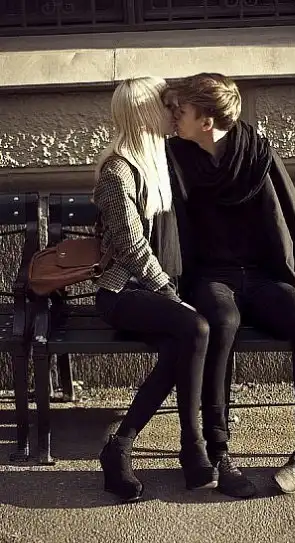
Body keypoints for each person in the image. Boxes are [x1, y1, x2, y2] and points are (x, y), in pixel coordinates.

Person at [166, 73, 295, 495]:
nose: (173, 116)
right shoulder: (177, 157)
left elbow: (288, 217)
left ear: (206, 121)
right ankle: (219, 450)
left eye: (181, 110)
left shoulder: (256, 154)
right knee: (221, 322)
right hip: (212, 277)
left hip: (263, 275)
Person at [93, 76, 218, 503]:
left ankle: (120, 447)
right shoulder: (117, 171)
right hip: (123, 294)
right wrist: (171, 294)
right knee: (196, 329)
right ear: (145, 113)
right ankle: (192, 447)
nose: (173, 111)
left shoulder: (161, 158)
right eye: (166, 105)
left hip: (159, 291)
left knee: (181, 345)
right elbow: (131, 246)